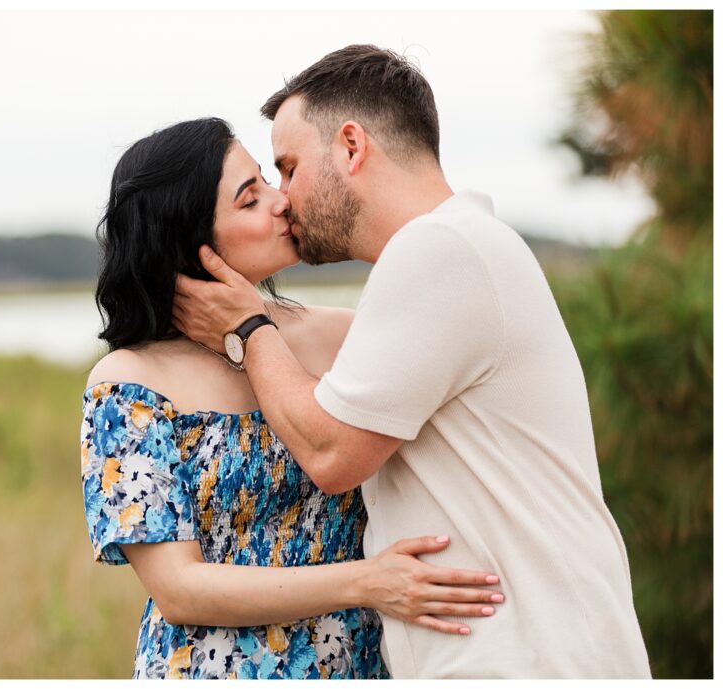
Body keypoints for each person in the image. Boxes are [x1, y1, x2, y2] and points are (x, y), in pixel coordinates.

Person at [173, 46, 652, 679]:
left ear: (351, 146)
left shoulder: (439, 250)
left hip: (529, 660)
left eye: (287, 169)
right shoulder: (458, 245)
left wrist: (247, 326)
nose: (282, 199)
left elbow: (331, 455)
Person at [81, 117, 505, 680]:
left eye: (269, 182)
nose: (283, 203)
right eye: (250, 199)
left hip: (361, 665)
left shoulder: (345, 334)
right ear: (191, 242)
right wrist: (365, 581)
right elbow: (179, 590)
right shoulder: (129, 384)